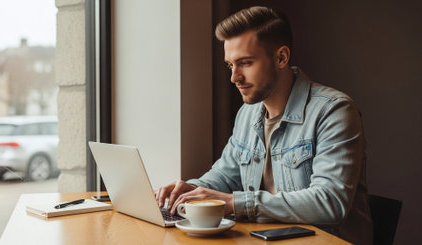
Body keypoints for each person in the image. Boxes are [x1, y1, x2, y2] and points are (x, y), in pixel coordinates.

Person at [155, 6, 372, 244]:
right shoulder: (248, 114)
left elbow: (330, 202)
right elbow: (225, 175)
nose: (234, 77)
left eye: (245, 63)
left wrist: (234, 203)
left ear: (281, 57)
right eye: (230, 65)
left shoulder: (334, 111)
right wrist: (190, 190)